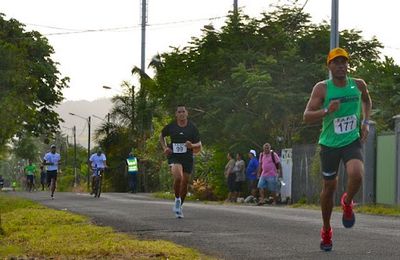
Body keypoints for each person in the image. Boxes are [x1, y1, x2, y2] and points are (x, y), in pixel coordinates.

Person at [303, 47, 372, 251]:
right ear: (329, 65)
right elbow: (306, 116)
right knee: (328, 188)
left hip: (351, 140)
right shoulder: (322, 88)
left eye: (344, 62)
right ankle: (326, 230)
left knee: (356, 173)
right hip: (330, 144)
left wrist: (366, 122)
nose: (341, 66)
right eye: (336, 62)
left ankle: (347, 202)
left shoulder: (358, 85)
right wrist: (326, 110)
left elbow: (367, 101)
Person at [159, 104, 202, 218]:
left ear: (187, 113)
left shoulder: (192, 127)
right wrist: (165, 148)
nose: (181, 114)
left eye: (183, 111)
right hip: (174, 156)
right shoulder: (172, 126)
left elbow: (199, 144)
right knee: (178, 177)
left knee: (185, 183)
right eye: (179, 112)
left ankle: (179, 206)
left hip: (187, 157)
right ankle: (177, 199)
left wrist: (191, 145)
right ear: (176, 114)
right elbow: (161, 136)